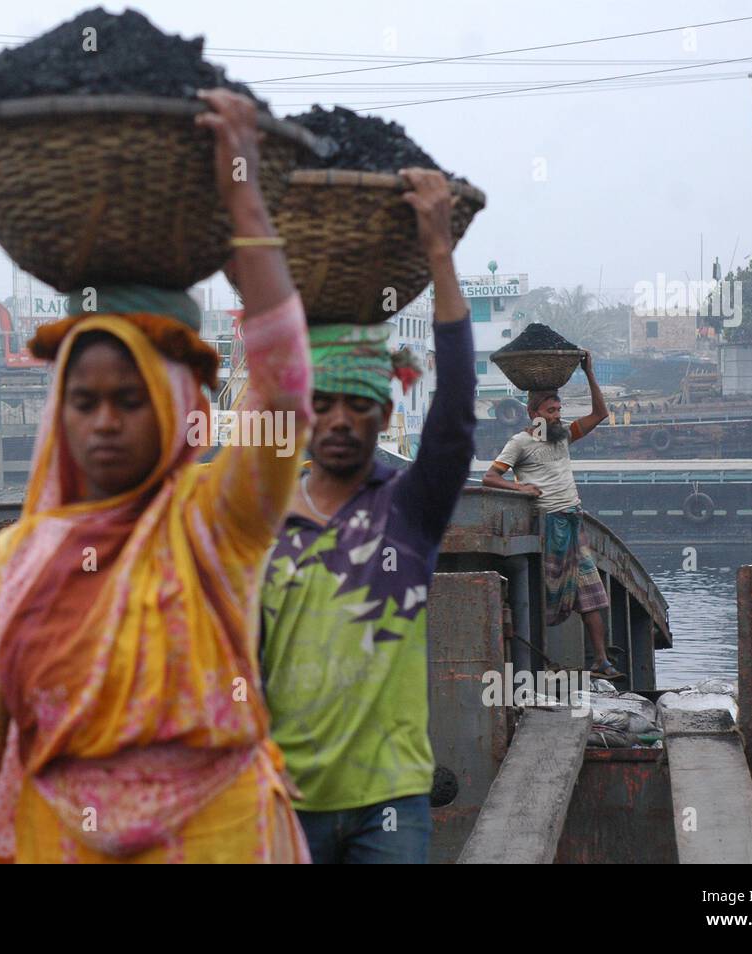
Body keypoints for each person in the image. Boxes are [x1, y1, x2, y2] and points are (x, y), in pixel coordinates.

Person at [0, 89, 313, 864]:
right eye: (85, 401)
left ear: (172, 406)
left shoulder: (215, 524)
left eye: (129, 401)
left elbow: (285, 385)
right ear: (58, 413)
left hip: (220, 839)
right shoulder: (16, 560)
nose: (104, 422)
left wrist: (241, 196)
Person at [259, 168, 478, 864]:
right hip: (278, 800)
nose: (340, 421)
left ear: (385, 413)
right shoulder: (261, 516)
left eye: (360, 404)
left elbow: (455, 421)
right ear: (303, 413)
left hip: (388, 803)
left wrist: (439, 254)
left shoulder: (408, 510)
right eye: (324, 404)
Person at [481, 354, 619, 678]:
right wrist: (521, 489)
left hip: (573, 521)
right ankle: (526, 667)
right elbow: (490, 477)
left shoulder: (564, 436)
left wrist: (589, 372)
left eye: (559, 411)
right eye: (550, 411)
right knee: (549, 595)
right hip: (548, 525)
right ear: (533, 413)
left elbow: (601, 413)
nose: (557, 417)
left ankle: (601, 661)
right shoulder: (520, 443)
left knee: (591, 593)